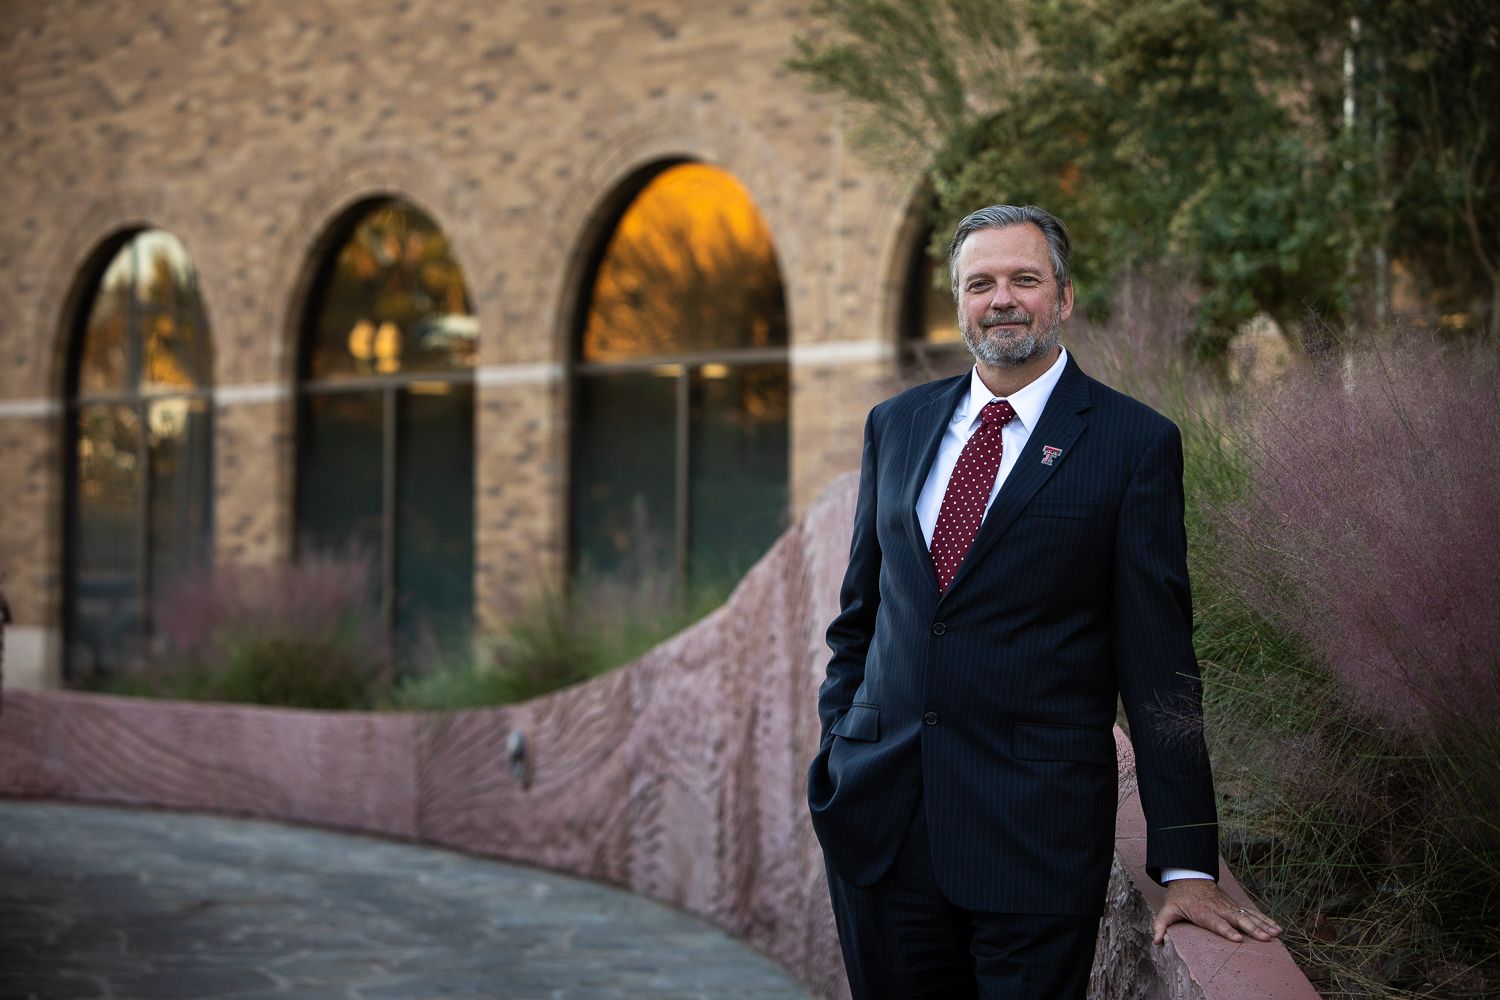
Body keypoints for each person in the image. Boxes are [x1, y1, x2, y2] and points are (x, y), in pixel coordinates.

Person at [806, 205, 1280, 998]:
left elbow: (1160, 665)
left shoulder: (1133, 443)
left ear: (1062, 297)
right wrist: (837, 753)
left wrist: (1189, 864)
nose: (1002, 300)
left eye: (1024, 279)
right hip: (880, 827)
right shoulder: (896, 425)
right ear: (959, 302)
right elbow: (862, 617)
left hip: (1031, 840)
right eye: (980, 283)